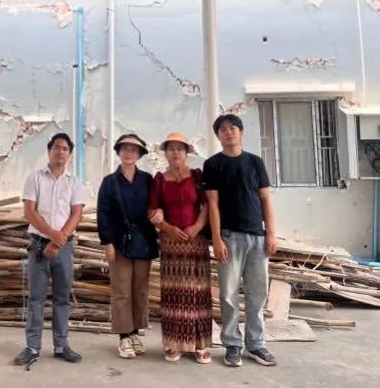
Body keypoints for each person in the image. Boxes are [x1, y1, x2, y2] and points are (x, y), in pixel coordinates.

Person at [204, 114, 278, 368]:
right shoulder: (213, 164)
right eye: (223, 129)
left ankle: (256, 345)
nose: (228, 132)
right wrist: (216, 238)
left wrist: (270, 233)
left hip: (257, 237)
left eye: (233, 128)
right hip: (229, 237)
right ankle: (232, 344)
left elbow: (265, 200)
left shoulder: (255, 162)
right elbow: (212, 205)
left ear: (241, 132)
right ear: (218, 136)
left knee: (258, 294)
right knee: (228, 294)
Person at [14, 132, 85, 367]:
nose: (60, 152)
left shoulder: (74, 182)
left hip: (63, 247)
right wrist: (52, 235)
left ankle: (61, 345)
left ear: (69, 154)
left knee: (62, 298)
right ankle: (32, 347)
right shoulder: (35, 178)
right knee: (36, 298)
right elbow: (30, 212)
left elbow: (76, 213)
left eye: (65, 148)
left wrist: (57, 241)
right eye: (56, 147)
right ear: (49, 150)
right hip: (38, 245)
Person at [148, 132, 213, 364]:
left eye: (179, 148)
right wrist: (168, 228)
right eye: (171, 149)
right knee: (174, 293)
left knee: (198, 291)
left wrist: (197, 227)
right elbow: (152, 210)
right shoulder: (159, 179)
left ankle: (200, 344)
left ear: (187, 153)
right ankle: (174, 343)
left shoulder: (197, 175)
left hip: (196, 241)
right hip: (171, 242)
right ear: (165, 153)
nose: (175, 153)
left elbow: (207, 205)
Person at [97, 133, 158, 359]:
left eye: (134, 149)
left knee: (140, 289)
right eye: (125, 148)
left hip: (144, 242)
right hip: (119, 243)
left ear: (139, 154)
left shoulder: (148, 180)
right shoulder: (109, 182)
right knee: (121, 290)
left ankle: (134, 332)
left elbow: (155, 206)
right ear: (118, 152)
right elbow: (103, 214)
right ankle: (123, 336)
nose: (129, 152)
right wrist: (108, 243)